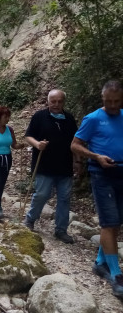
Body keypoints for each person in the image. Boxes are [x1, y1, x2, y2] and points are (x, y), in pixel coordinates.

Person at [71, 80, 123, 297]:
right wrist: (96, 157)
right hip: (101, 174)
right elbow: (75, 145)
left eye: (116, 101)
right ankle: (117, 275)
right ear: (102, 98)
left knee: (116, 222)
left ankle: (100, 262)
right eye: (108, 101)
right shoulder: (92, 118)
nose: (112, 105)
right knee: (108, 222)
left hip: (121, 173)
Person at [24, 90, 77, 244]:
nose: (56, 104)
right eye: (53, 101)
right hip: (44, 165)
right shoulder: (39, 116)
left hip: (65, 166)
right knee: (42, 194)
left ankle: (61, 230)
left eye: (60, 101)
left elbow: (76, 142)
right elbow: (28, 136)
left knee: (64, 199)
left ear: (64, 102)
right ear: (48, 101)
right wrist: (37, 144)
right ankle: (30, 219)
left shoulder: (69, 119)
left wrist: (77, 161)